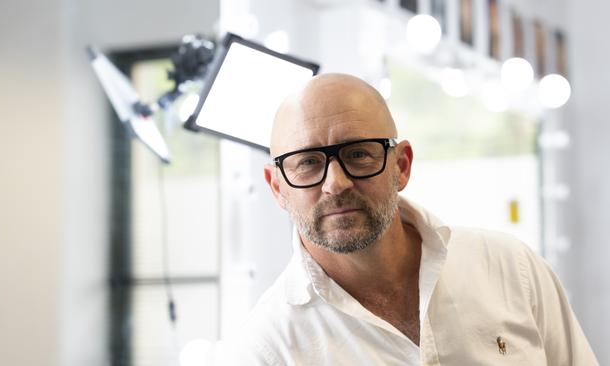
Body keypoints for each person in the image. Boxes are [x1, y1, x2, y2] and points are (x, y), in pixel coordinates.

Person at [229, 73, 598, 365]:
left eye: (359, 154)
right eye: (308, 162)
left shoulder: (510, 268)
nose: (336, 183)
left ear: (401, 165)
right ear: (276, 187)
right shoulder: (267, 350)